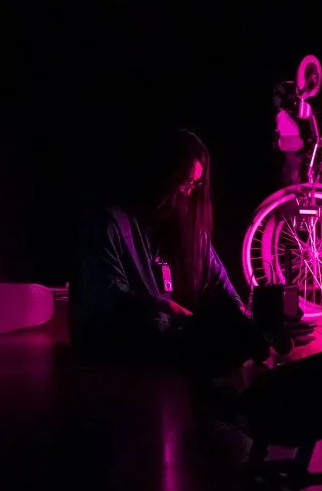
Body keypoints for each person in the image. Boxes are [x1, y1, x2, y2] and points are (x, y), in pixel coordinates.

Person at [69, 128, 269, 382]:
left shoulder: (188, 231)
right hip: (122, 349)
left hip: (172, 342)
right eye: (182, 183)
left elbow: (223, 290)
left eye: (195, 185)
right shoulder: (109, 223)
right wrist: (165, 307)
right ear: (158, 176)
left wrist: (253, 324)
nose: (187, 194)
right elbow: (106, 299)